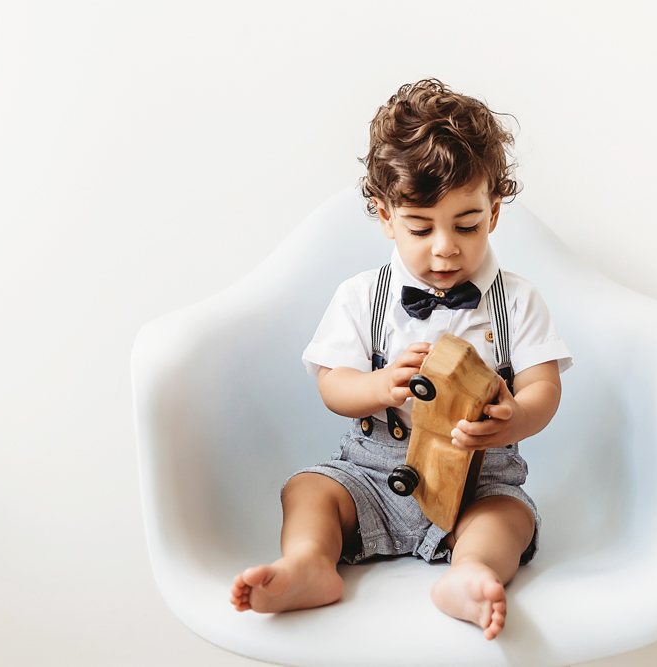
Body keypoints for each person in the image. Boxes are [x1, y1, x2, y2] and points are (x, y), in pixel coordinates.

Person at [229, 79, 572, 641]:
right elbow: (332, 385)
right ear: (386, 217)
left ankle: (471, 574)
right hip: (374, 471)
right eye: (420, 227)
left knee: (508, 519)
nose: (445, 247)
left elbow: (544, 388)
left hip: (477, 483)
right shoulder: (365, 295)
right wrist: (378, 386)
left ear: (495, 210)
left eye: (467, 225)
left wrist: (514, 415)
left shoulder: (518, 300)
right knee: (308, 489)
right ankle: (310, 564)